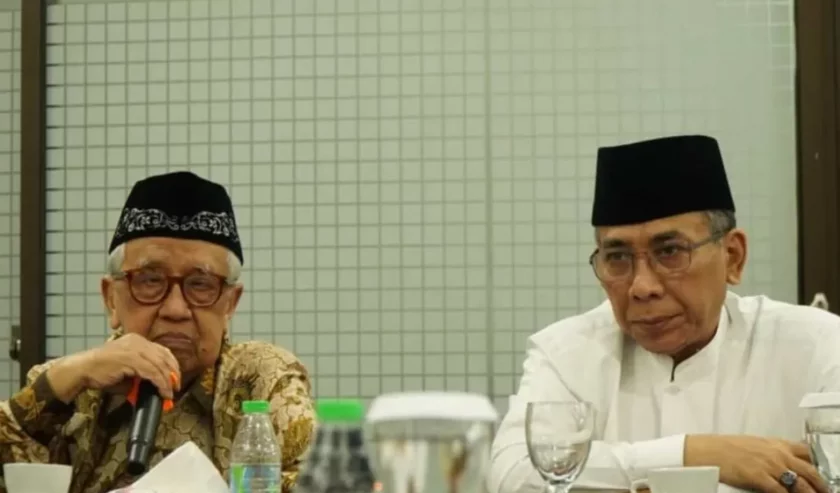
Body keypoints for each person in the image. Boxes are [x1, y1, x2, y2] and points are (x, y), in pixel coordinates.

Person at [489, 135, 840, 493]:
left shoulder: (816, 344)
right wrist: (694, 454)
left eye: (670, 251)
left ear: (732, 257)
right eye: (618, 257)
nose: (642, 287)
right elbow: (514, 474)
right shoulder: (568, 353)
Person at [0, 171, 315, 493]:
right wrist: (62, 381)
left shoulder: (260, 378)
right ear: (111, 299)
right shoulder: (66, 385)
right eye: (150, 281)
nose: (175, 310)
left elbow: (318, 485)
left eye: (200, 284)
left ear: (230, 304)